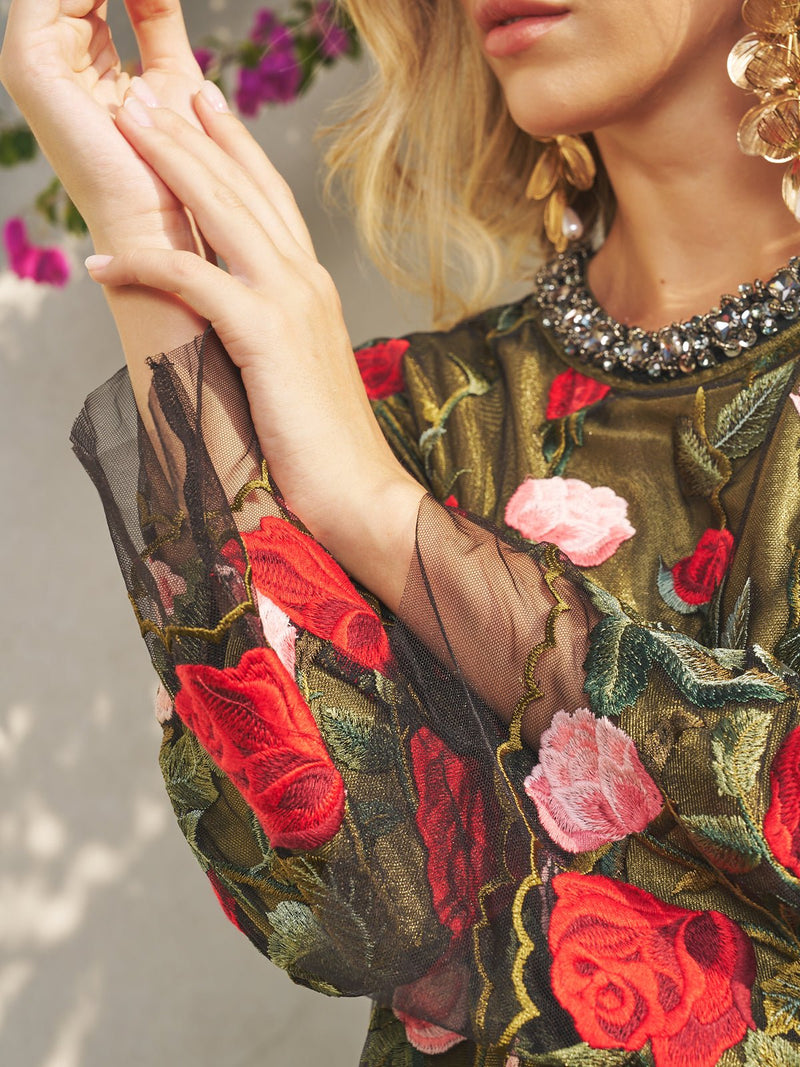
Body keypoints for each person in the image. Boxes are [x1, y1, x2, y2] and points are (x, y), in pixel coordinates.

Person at [4, 0, 800, 1063]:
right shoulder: (402, 409)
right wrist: (144, 233)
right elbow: (339, 902)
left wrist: (387, 518)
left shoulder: (361, 460)